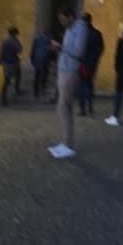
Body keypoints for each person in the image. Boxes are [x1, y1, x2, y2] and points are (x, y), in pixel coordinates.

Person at [48, 8, 88, 159]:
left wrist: (60, 47)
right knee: (64, 107)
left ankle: (68, 144)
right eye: (60, 19)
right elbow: (68, 50)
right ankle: (66, 143)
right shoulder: (70, 29)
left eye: (63, 19)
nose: (61, 22)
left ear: (70, 16)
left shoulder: (80, 28)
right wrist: (59, 48)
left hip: (71, 71)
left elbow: (78, 52)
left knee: (63, 106)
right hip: (63, 69)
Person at [79, 13, 105, 116]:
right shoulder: (97, 33)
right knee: (90, 85)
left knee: (83, 86)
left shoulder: (83, 34)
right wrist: (96, 58)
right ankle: (90, 106)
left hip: (84, 63)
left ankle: (83, 109)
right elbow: (101, 48)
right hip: (93, 64)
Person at [0, 26, 22, 107]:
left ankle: (3, 99)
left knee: (6, 80)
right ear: (15, 33)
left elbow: (1, 52)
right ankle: (17, 90)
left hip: (5, 62)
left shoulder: (4, 40)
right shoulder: (14, 41)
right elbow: (19, 49)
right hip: (12, 62)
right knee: (18, 75)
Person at [30, 28, 53, 99]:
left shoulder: (36, 39)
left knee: (37, 76)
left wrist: (32, 59)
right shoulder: (49, 39)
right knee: (45, 74)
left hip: (37, 59)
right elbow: (50, 50)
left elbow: (33, 49)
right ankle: (43, 88)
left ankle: (35, 92)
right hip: (45, 59)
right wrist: (51, 59)